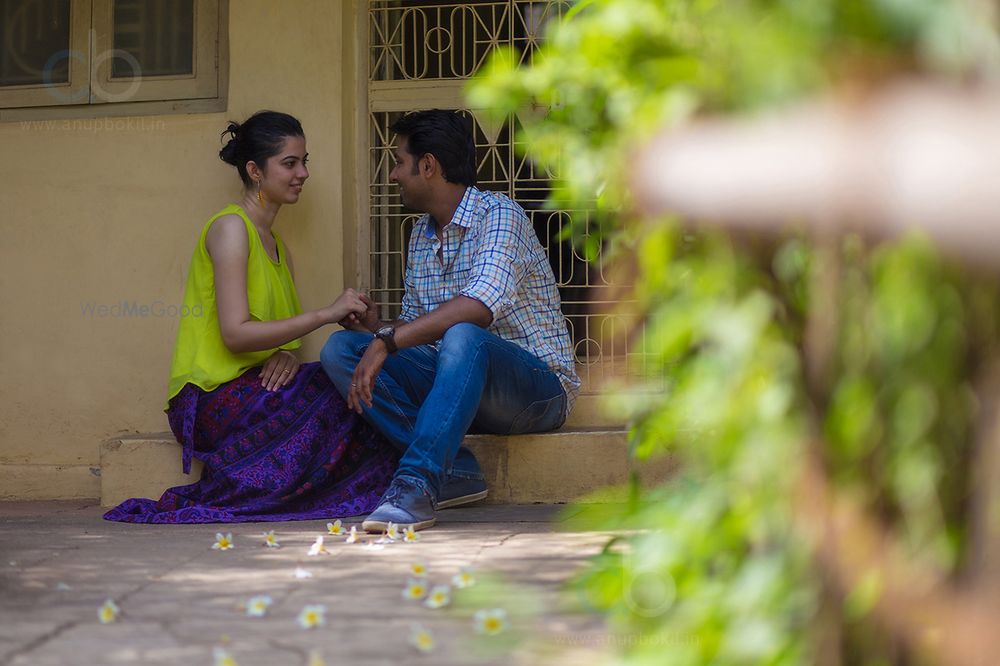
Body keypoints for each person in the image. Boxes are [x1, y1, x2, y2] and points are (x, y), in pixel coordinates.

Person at [104, 111, 397, 524]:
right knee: (340, 380)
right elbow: (236, 335)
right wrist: (325, 314)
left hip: (252, 388)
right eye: (290, 163)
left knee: (349, 375)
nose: (303, 173)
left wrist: (286, 356)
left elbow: (273, 343)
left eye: (304, 161)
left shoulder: (278, 247)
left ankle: (335, 485)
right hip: (210, 398)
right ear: (255, 170)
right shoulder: (231, 230)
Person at [320, 110, 580, 532]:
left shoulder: (499, 215)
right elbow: (417, 331)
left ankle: (416, 484)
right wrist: (374, 330)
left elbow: (478, 307)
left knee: (465, 334)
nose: (392, 175)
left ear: (428, 166)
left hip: (537, 392)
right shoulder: (422, 235)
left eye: (399, 162)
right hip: (460, 384)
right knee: (340, 349)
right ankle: (456, 472)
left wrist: (388, 339)